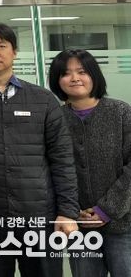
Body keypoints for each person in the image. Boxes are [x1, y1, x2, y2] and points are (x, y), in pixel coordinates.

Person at [0, 22, 79, 277]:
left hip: (39, 215)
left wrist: (67, 211)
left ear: (14, 52)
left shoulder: (43, 99)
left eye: (1, 46)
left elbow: (62, 159)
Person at [48, 49, 131, 276]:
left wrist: (106, 210)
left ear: (94, 75)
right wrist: (70, 211)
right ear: (57, 80)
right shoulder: (55, 119)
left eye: (82, 71)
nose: (74, 78)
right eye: (66, 73)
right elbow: (51, 171)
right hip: (78, 226)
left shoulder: (121, 112)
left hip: (123, 225)